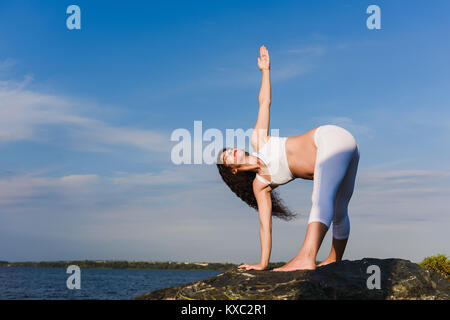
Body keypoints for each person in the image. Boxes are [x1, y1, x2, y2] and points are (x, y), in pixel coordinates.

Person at [216, 45, 360, 271]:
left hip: (329, 138)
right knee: (339, 207)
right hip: (346, 150)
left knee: (321, 197)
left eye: (230, 149)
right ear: (232, 170)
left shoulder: (259, 141)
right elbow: (265, 226)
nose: (232, 152)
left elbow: (264, 102)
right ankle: (334, 260)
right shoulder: (260, 185)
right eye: (227, 158)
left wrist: (265, 71)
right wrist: (263, 263)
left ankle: (306, 257)